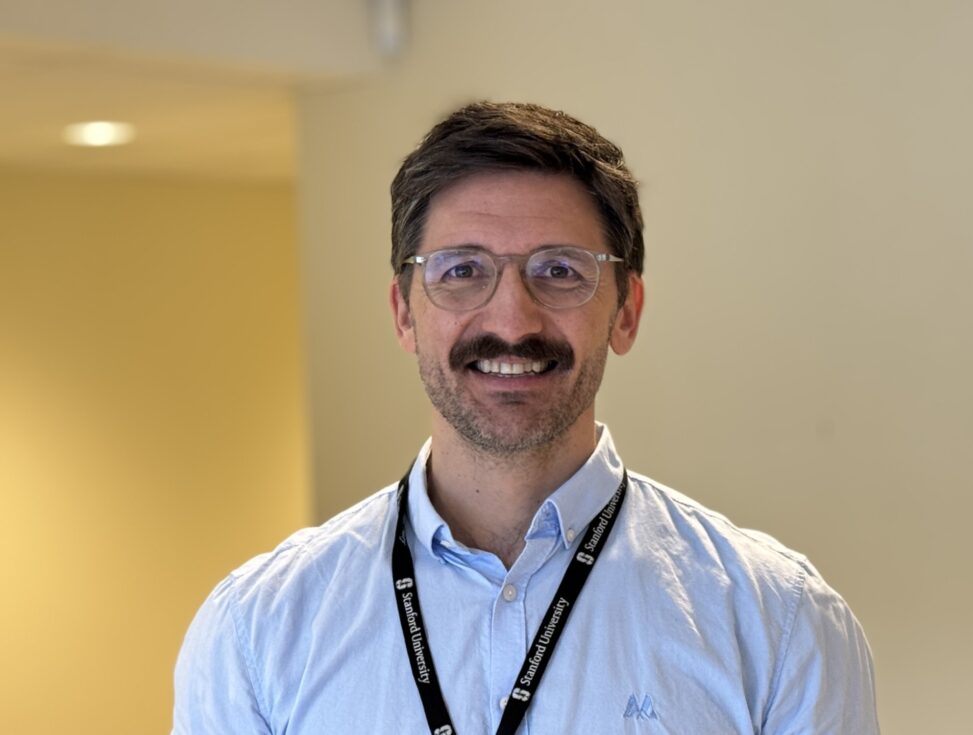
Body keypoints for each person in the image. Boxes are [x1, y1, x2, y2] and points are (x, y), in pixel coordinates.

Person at [172, 102, 879, 734]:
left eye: (560, 271)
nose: (512, 321)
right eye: (461, 271)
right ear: (403, 314)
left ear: (626, 311)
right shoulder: (257, 632)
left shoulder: (781, 624)